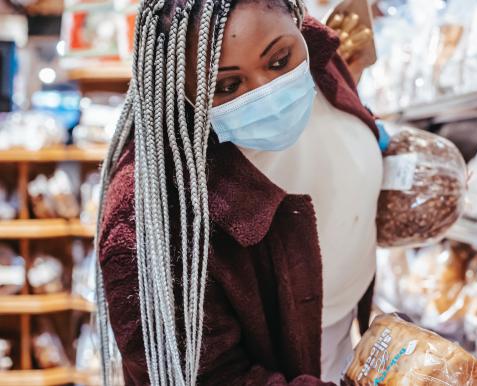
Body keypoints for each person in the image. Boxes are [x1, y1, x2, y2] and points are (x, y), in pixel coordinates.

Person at [95, 0, 382, 384]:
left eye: (280, 61)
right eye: (227, 85)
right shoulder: (145, 217)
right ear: (180, 88)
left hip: (348, 332)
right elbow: (210, 376)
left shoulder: (314, 48)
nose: (270, 92)